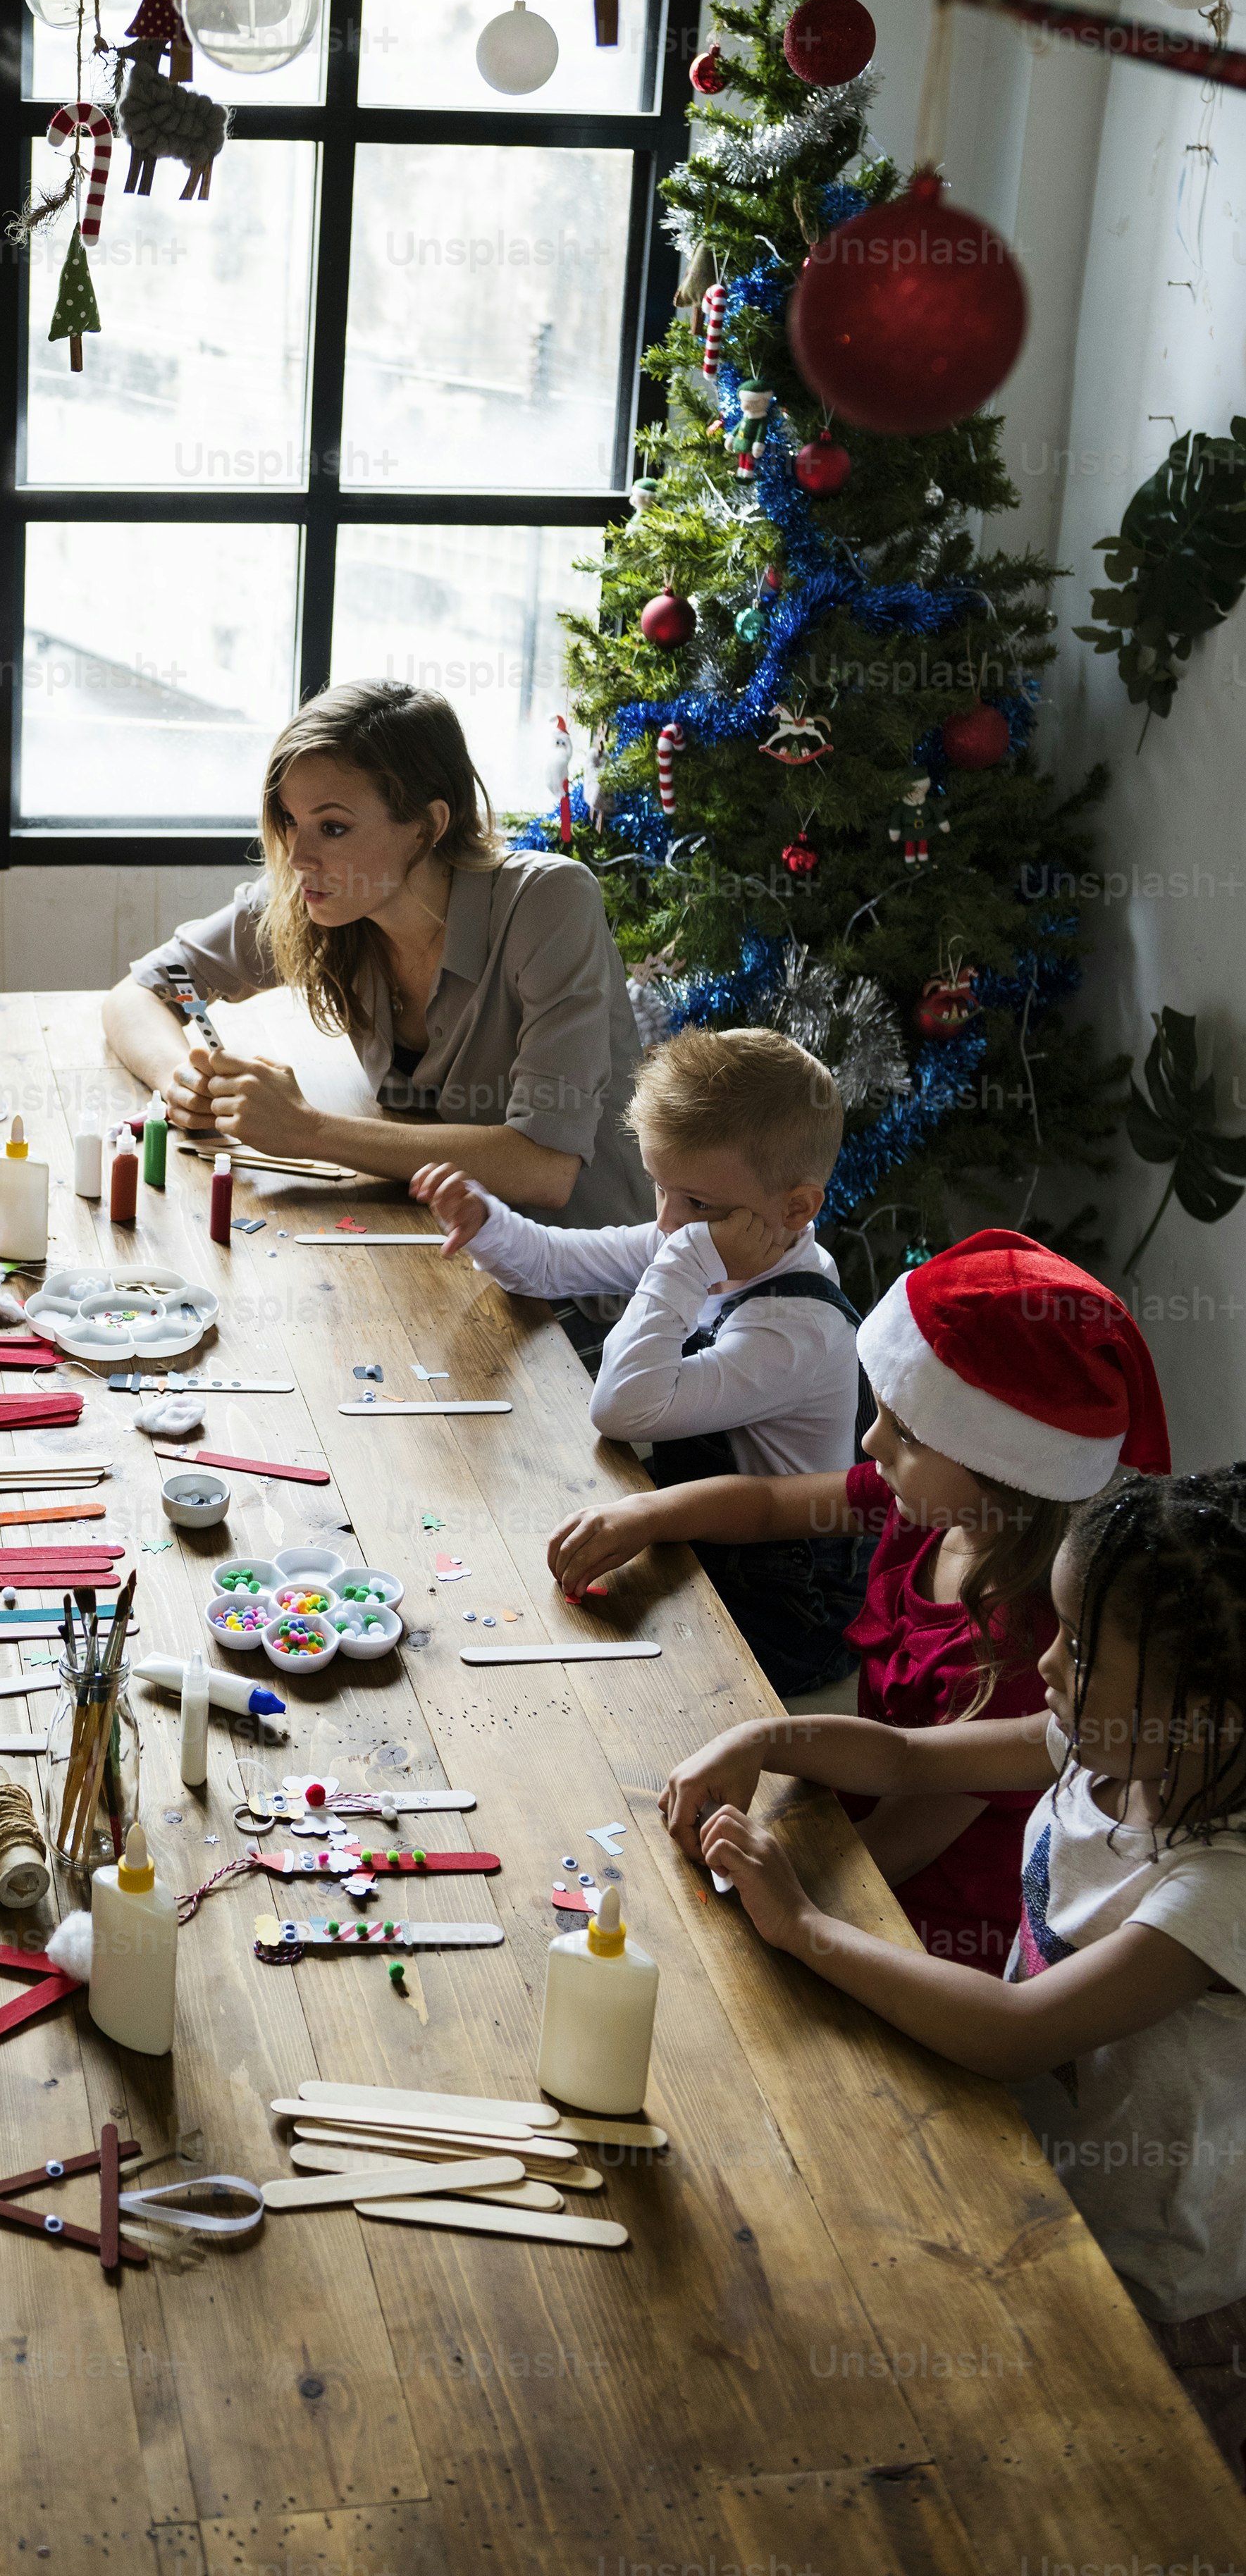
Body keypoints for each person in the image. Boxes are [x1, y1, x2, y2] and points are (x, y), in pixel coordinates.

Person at [662, 1467, 1246, 2483]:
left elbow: (1018, 2028)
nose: (1047, 1662)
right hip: (1031, 2174)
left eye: (1082, 1651)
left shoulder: (1223, 1884)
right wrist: (761, 1736)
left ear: (1201, 1708)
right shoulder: (1108, 1747)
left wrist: (803, 1926)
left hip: (1158, 2275)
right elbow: (904, 1756)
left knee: (1118, 2490)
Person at [575, 1230, 1170, 1973]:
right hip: (836, 1838)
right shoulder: (923, 1509)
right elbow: (764, 1504)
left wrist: (750, 1887)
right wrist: (647, 1514)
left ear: (1001, 1469)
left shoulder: (1019, 1655)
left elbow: (885, 1856)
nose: (869, 1440)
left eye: (905, 1431)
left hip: (909, 1935)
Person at [103, 681, 650, 1239]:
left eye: (333, 827)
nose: (296, 856)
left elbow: (544, 1167)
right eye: (290, 820)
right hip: (432, 1244)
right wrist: (181, 1082)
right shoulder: (319, 897)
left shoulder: (548, 900)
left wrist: (305, 1130)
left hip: (578, 1289)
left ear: (428, 826)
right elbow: (145, 989)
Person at [414, 1024, 868, 1693]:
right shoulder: (699, 1238)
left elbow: (623, 1409)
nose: (664, 1221)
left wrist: (682, 1261)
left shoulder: (793, 1327)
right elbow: (549, 1263)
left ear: (794, 1208)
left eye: (695, 1204)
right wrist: (487, 1222)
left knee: (610, 1689)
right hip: (708, 1541)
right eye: (659, 1187)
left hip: (789, 1610)